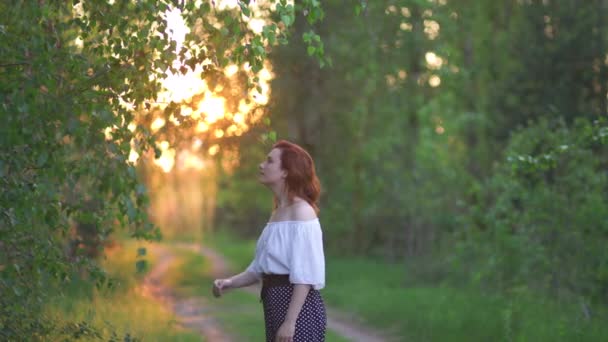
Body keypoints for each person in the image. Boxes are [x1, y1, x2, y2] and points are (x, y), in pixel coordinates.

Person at [212, 140, 327, 342]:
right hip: (274, 306)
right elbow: (259, 269)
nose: (261, 165)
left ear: (285, 172)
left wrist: (290, 322)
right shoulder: (277, 214)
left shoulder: (302, 212)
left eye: (269, 161)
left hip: (298, 311)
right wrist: (229, 283)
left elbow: (305, 275)